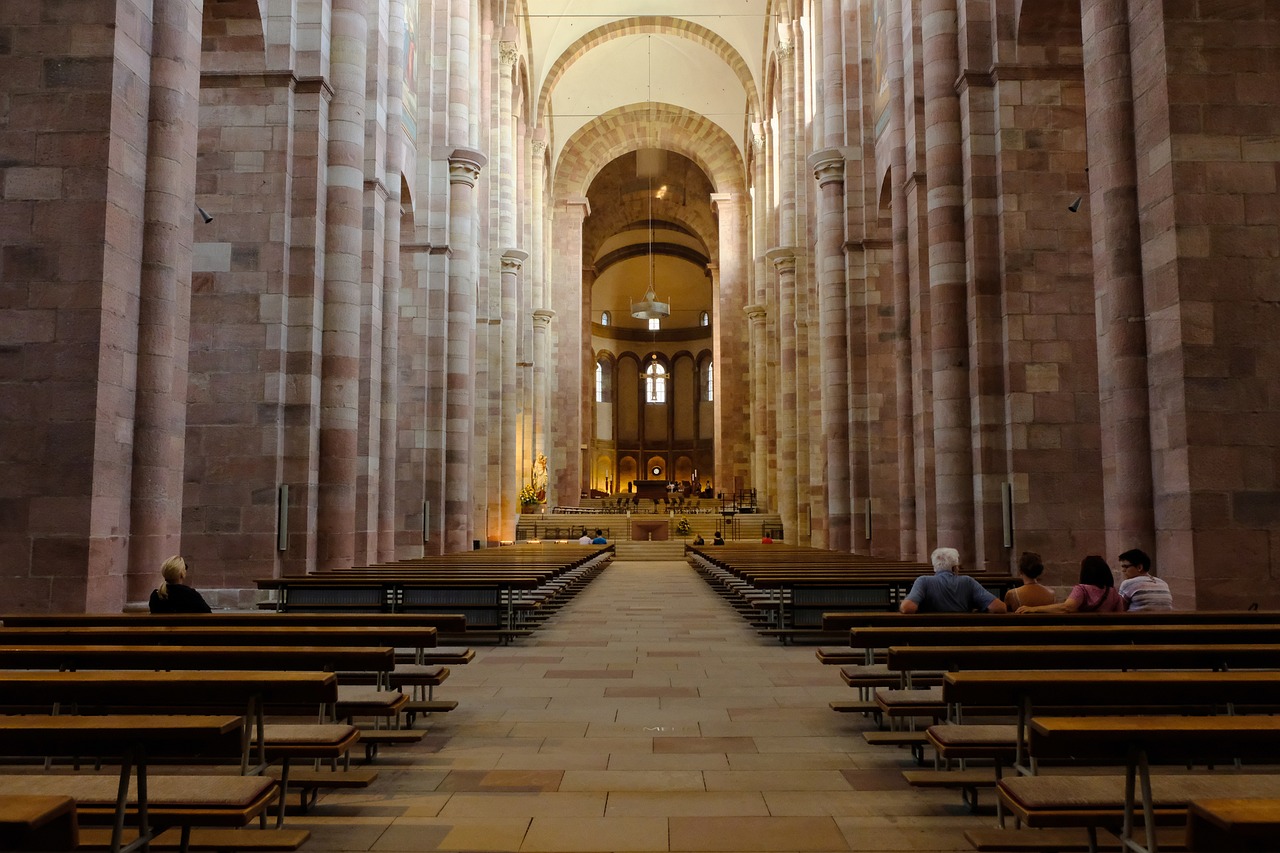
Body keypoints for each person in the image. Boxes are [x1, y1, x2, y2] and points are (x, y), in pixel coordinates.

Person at [901, 547, 1007, 614]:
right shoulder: (968, 581)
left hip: (931, 636)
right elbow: (999, 607)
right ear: (955, 568)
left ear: (934, 567)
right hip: (962, 638)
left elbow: (908, 608)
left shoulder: (923, 581)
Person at [1018, 555, 1124, 613]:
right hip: (1108, 635)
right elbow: (1120, 612)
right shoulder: (1112, 592)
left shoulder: (1081, 589)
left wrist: (1034, 609)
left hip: (1085, 634)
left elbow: (1067, 607)